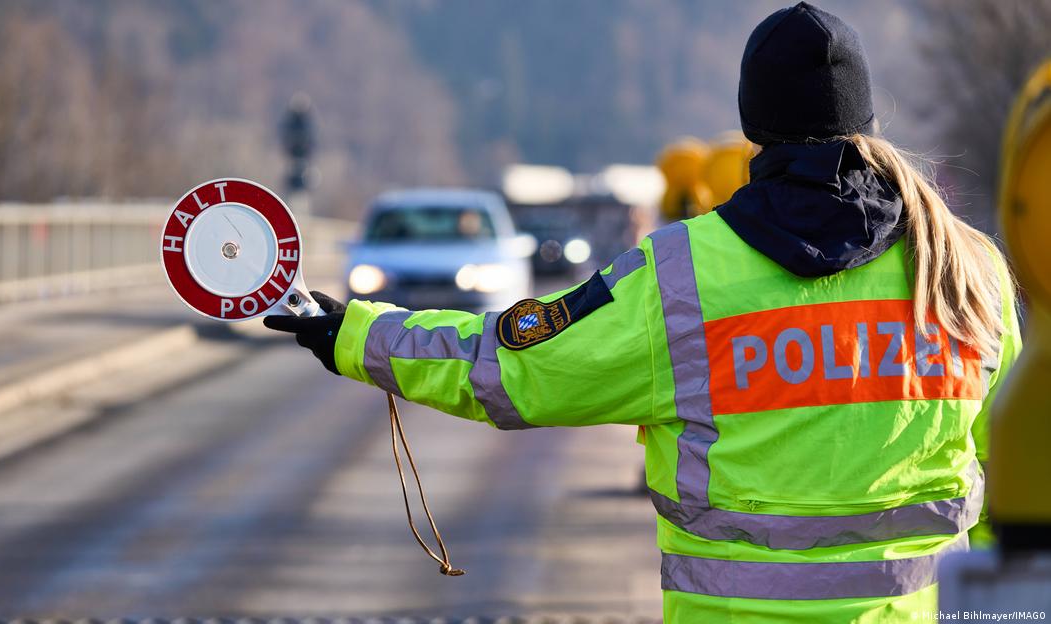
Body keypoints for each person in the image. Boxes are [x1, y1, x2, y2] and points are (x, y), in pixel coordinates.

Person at [265, 3, 1022, 622]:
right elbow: (1014, 477)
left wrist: (352, 333)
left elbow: (512, 369)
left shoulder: (684, 275)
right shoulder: (967, 271)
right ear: (866, 117)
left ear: (752, 123)